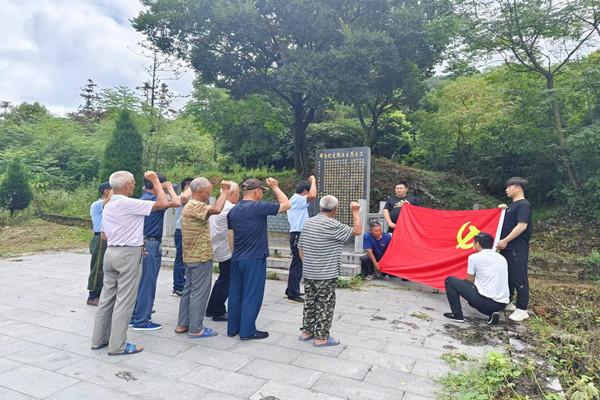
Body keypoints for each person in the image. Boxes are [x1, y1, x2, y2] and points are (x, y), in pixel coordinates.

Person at [91, 170, 168, 356]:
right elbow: (163, 203)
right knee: (124, 301)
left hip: (111, 252)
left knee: (107, 298)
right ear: (127, 185)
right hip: (127, 255)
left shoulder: (108, 205)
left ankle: (99, 340)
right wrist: (155, 181)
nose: (135, 185)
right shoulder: (129, 203)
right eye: (132, 182)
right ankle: (118, 345)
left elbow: (104, 235)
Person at [227, 178, 290, 340]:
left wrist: (235, 254)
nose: (262, 194)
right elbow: (286, 204)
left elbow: (230, 236)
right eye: (261, 191)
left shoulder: (233, 211)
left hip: (237, 257)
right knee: (252, 295)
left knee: (235, 294)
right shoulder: (258, 207)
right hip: (254, 258)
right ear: (256, 192)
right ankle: (247, 331)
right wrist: (275, 187)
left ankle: (233, 328)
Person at [298, 196, 362, 347]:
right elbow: (357, 231)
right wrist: (355, 212)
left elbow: (300, 247)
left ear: (320, 207)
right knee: (325, 304)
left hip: (309, 272)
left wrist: (308, 264)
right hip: (326, 274)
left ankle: (307, 331)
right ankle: (321, 338)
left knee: (310, 301)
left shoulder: (308, 223)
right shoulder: (333, 225)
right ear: (335, 209)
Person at [175, 178, 231, 338]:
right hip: (200, 257)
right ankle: (196, 329)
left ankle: (183, 324)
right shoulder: (195, 205)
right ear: (202, 191)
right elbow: (217, 209)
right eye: (209, 190)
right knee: (199, 293)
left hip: (191, 256)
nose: (210, 193)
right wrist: (225, 191)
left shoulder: (189, 205)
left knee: (189, 291)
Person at [131, 173, 181, 331]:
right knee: (148, 283)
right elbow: (177, 202)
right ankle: (142, 320)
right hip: (150, 244)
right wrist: (169, 188)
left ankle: (134, 316)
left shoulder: (142, 199)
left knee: (140, 282)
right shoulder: (154, 200)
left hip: (142, 242)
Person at [443, 232, 509, 326]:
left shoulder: (474, 257)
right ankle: (493, 313)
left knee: (450, 280)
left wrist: (463, 287)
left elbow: (470, 280)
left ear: (477, 243)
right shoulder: (502, 258)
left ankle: (457, 315)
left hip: (485, 302)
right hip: (502, 304)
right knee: (476, 295)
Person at [497, 177, 532, 322]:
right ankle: (508, 302)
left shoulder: (524, 205)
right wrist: (502, 211)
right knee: (508, 276)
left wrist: (505, 240)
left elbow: (522, 226)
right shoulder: (512, 206)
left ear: (518, 187)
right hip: (507, 247)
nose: (506, 190)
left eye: (509, 187)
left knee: (519, 277)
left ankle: (522, 309)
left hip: (516, 248)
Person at [205, 182, 240, 322]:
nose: (239, 196)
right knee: (226, 280)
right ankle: (218, 311)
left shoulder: (219, 205)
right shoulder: (231, 208)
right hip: (227, 248)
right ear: (232, 193)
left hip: (218, 246)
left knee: (223, 278)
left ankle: (211, 308)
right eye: (238, 193)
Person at [285, 175, 317, 304]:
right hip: (298, 234)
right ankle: (293, 294)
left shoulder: (295, 199)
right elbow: (313, 196)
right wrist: (313, 181)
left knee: (296, 263)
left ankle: (291, 290)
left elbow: (311, 197)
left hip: (298, 234)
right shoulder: (297, 199)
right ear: (304, 191)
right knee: (298, 263)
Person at [86, 182, 111, 306]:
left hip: (107, 238)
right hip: (99, 239)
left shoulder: (109, 206)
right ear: (106, 191)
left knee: (105, 268)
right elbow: (110, 200)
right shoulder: (97, 204)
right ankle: (92, 295)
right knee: (97, 268)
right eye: (112, 189)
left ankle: (101, 293)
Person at [172, 177, 194, 297]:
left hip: (188, 232)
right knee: (180, 260)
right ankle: (178, 287)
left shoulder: (192, 199)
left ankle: (183, 283)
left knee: (185, 260)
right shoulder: (182, 197)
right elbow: (184, 199)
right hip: (181, 232)